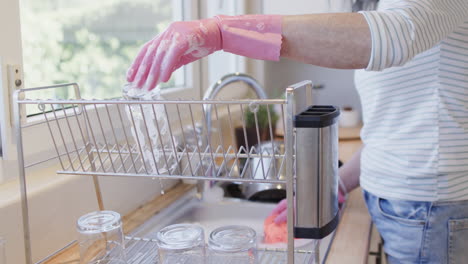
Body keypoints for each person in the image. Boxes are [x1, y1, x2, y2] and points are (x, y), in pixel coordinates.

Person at [127, 1, 468, 263]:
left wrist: (224, 31)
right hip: (403, 206)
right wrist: (339, 182)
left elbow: (392, 35)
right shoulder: (384, 4)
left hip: (428, 209)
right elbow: (399, 130)